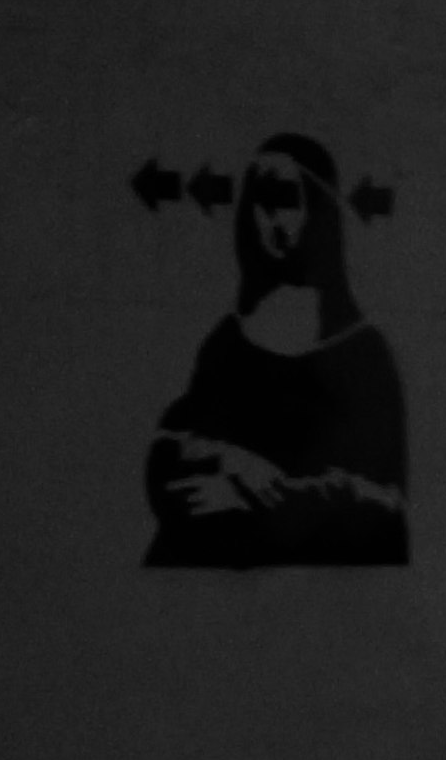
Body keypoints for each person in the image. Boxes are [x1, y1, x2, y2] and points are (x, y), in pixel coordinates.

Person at [143, 132, 410, 565]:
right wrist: (231, 462)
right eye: (260, 201)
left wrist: (262, 498)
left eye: (286, 199)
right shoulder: (227, 343)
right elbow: (171, 444)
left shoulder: (362, 353)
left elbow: (383, 501)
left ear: (320, 211)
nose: (271, 218)